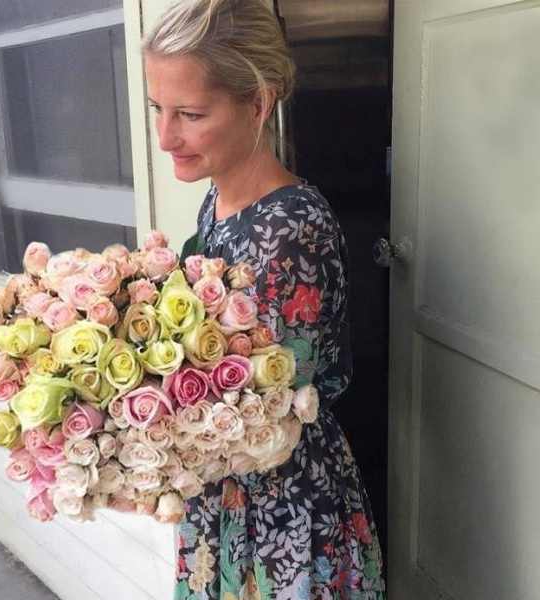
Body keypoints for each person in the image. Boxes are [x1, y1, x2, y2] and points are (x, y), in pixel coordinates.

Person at [143, 1, 386, 598]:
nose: (166, 137)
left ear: (258, 102)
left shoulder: (289, 227)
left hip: (280, 508)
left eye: (190, 114)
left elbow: (274, 404)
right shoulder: (218, 200)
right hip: (225, 487)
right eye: (158, 109)